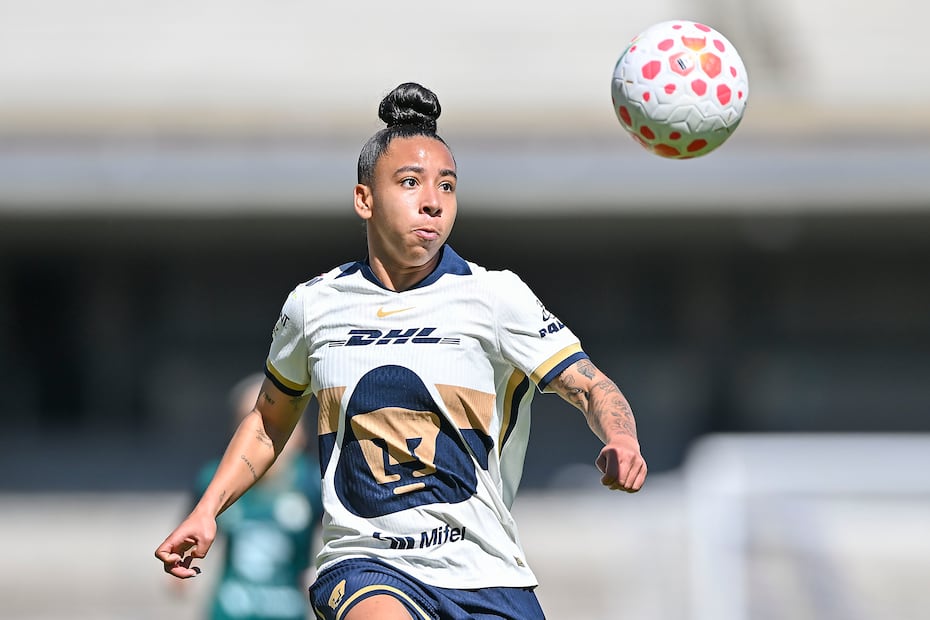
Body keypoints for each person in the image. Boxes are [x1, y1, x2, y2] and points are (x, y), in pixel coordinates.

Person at [156, 82, 647, 620]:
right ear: (365, 198)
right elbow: (271, 420)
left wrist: (621, 436)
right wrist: (208, 511)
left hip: (488, 575)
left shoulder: (496, 296)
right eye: (410, 182)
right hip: (366, 566)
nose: (433, 201)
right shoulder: (314, 306)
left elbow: (590, 385)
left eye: (447, 186)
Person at [177, 373, 323, 620]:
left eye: (282, 423)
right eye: (255, 425)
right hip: (230, 611)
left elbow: (338, 539)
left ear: (302, 433)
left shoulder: (312, 483)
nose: (265, 436)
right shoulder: (213, 481)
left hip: (288, 611)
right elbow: (187, 542)